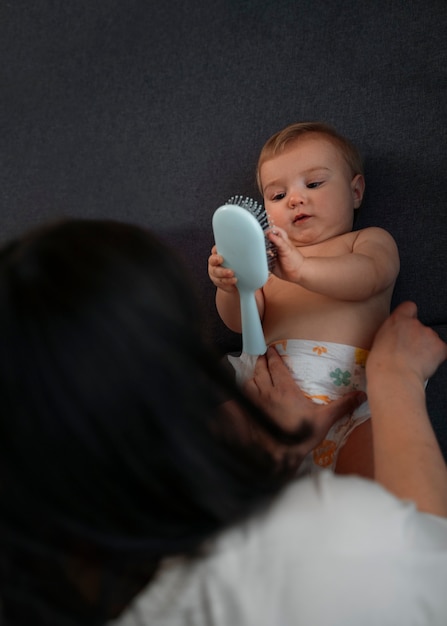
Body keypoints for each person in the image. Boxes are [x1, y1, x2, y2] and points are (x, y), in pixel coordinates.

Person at [0, 218, 446, 626]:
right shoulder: (314, 546)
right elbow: (433, 560)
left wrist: (270, 456)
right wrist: (397, 382)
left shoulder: (41, 584)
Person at [208, 121, 400, 474]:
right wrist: (231, 287)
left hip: (349, 392)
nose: (295, 199)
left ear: (356, 191)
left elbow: (371, 276)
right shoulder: (268, 261)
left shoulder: (366, 241)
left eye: (313, 184)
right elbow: (241, 321)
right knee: (207, 434)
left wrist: (303, 270)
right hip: (264, 384)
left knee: (373, 466)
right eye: (277, 195)